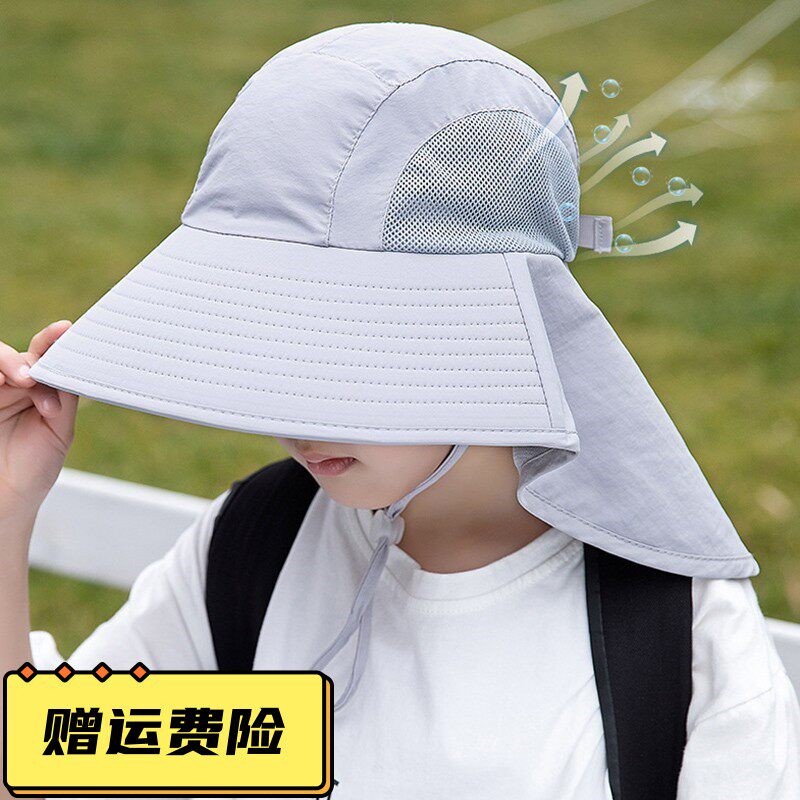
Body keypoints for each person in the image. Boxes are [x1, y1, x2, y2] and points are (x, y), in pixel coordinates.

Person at [1, 22, 799, 799]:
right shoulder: (257, 546)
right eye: (267, 339)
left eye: (347, 345)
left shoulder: (669, 634)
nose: (294, 407)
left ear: (496, 323)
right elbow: (45, 768)